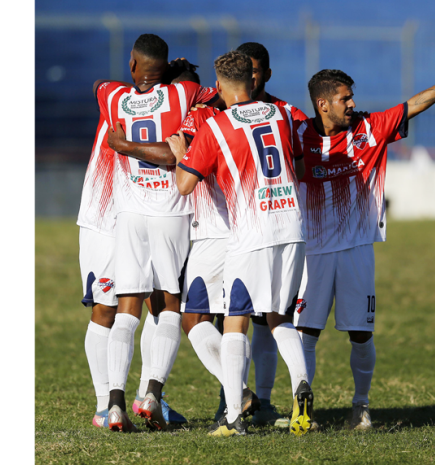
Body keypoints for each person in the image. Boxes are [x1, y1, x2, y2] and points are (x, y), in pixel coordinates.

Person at [293, 53, 435, 430]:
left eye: (351, 97)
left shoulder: (370, 127)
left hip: (356, 249)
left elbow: (416, 103)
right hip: (312, 251)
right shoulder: (298, 135)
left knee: (361, 334)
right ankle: (302, 409)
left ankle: (361, 407)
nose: (352, 104)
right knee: (305, 333)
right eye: (343, 99)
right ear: (322, 104)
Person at [167, 51, 314, 437]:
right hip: (293, 227)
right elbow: (297, 166)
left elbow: (184, 185)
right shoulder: (281, 115)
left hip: (252, 233)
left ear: (219, 87)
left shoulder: (216, 126)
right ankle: (301, 385)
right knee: (279, 316)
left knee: (235, 321)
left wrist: (182, 153)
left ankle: (233, 416)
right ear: (254, 81)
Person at [100, 33, 219, 432]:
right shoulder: (183, 94)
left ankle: (114, 403)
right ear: (166, 68)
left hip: (131, 213)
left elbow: (100, 86)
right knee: (169, 305)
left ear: (133, 65)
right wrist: (176, 73)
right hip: (171, 211)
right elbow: (203, 88)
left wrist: (125, 144)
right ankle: (151, 392)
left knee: (127, 307)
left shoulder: (114, 96)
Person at [80, 63, 204, 431]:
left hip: (133, 211)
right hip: (104, 216)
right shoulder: (164, 99)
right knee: (111, 306)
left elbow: (99, 82)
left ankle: (143, 398)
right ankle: (107, 403)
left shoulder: (122, 97)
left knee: (147, 303)